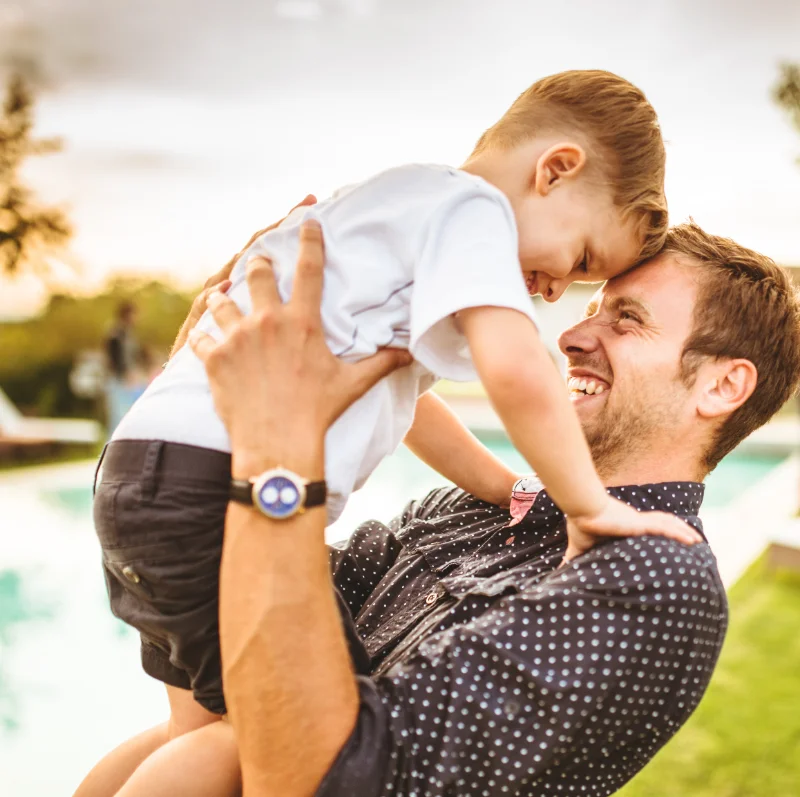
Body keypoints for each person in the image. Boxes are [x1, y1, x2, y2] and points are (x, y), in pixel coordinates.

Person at [78, 69, 696, 796]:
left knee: (192, 733)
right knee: (253, 736)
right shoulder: (471, 214)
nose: (559, 295)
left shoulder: (396, 225)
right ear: (555, 170)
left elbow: (407, 401)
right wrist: (588, 502)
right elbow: (518, 370)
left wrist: (505, 485)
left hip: (143, 475)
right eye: (583, 262)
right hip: (214, 483)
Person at [79, 219, 800, 797]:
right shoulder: (486, 504)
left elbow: (327, 780)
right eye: (589, 311)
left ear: (721, 386)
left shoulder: (657, 578)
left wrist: (278, 451)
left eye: (628, 320)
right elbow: (271, 609)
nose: (573, 338)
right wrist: (207, 395)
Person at [104, 300, 140, 434]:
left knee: (126, 415)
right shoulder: (116, 332)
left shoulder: (128, 333)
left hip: (125, 380)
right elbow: (115, 357)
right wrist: (125, 373)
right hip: (118, 380)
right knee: (117, 417)